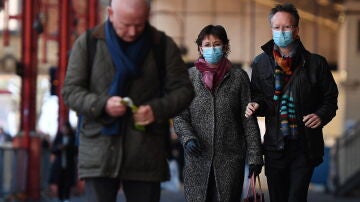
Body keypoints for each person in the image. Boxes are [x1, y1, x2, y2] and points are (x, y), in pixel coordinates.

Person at [61, 0, 194, 201]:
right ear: (110, 13)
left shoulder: (162, 46)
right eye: (126, 25)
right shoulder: (88, 43)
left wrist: (155, 110)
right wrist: (102, 104)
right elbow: (70, 92)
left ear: (148, 15)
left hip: (146, 151)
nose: (132, 32)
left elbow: (184, 91)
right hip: (99, 151)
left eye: (139, 24)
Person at [245, 3, 339, 202]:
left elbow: (330, 99)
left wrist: (320, 115)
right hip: (274, 147)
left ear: (296, 30)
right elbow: (258, 97)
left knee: (296, 197)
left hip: (304, 147)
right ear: (271, 29)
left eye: (287, 27)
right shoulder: (260, 63)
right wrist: (256, 105)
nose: (282, 32)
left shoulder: (316, 64)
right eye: (277, 27)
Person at [174, 24, 263, 202]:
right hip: (197, 158)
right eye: (207, 45)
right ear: (200, 48)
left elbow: (248, 119)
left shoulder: (238, 77)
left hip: (230, 160)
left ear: (225, 46)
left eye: (216, 44)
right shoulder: (188, 77)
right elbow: (179, 115)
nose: (211, 48)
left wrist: (255, 156)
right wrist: (188, 138)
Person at [49, 122, 77, 202]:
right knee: (60, 182)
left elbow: (75, 150)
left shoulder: (72, 138)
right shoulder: (59, 138)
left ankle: (66, 198)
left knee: (67, 182)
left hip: (69, 164)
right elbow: (53, 149)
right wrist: (59, 148)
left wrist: (68, 147)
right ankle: (60, 198)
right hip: (59, 164)